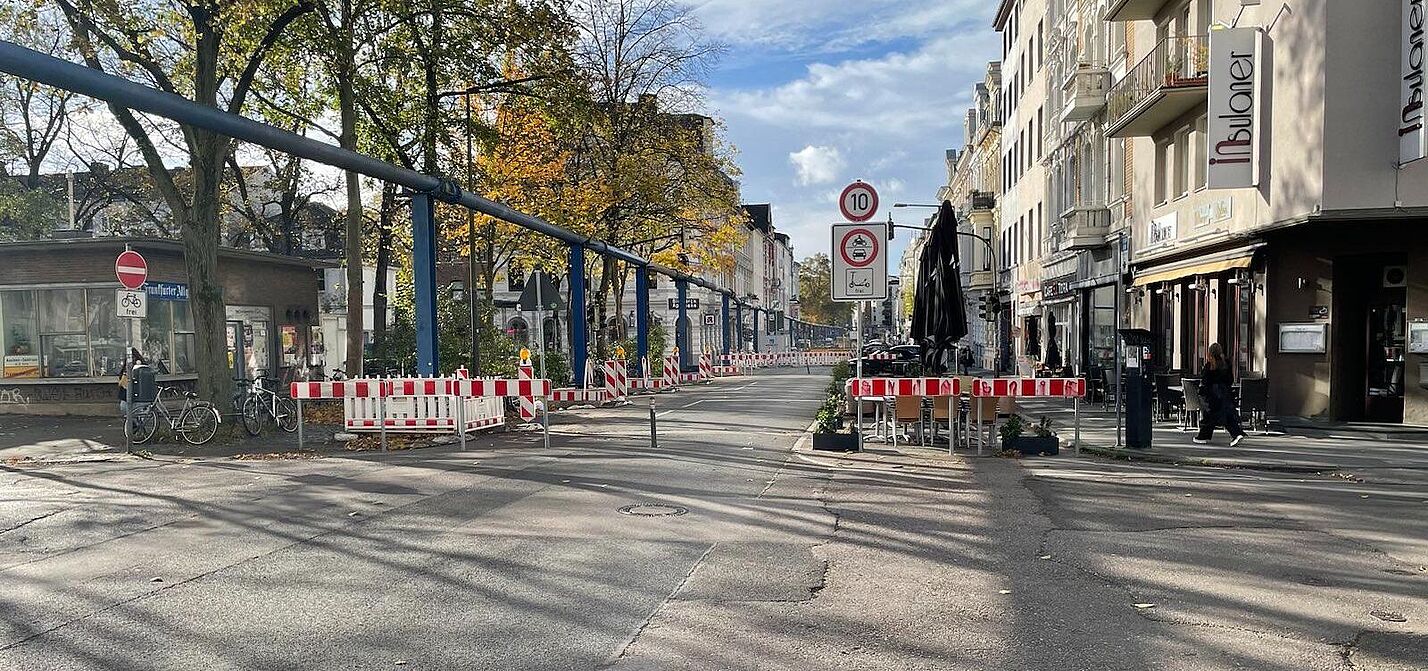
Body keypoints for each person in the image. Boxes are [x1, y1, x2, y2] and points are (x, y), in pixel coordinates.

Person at [1194, 343, 1246, 446]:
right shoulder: (1226, 364)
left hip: (1213, 395)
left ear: (1210, 353)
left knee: (1211, 416)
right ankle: (1236, 433)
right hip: (1225, 393)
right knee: (1225, 415)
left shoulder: (1209, 365)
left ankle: (1203, 436)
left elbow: (1205, 381)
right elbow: (1230, 379)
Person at [117, 348, 147, 417]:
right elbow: (122, 382)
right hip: (127, 396)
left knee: (135, 412)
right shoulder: (126, 369)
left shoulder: (140, 368)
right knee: (126, 409)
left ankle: (135, 424)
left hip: (137, 397)